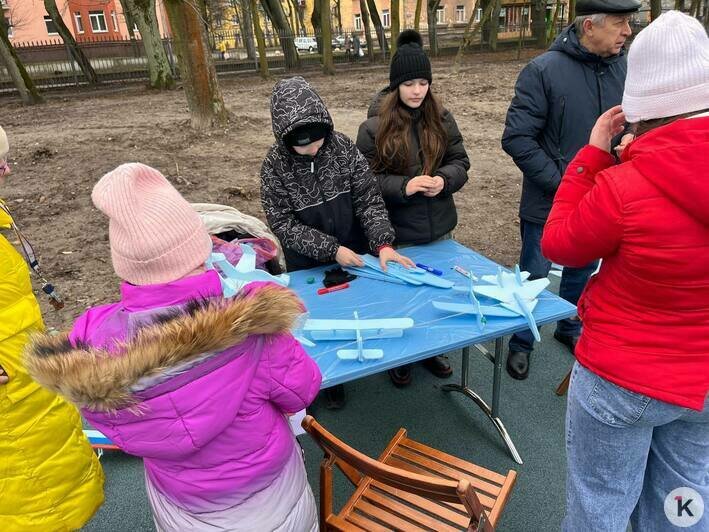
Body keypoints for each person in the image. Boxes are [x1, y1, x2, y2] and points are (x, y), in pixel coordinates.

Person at [25, 163, 322, 532]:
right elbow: (303, 390)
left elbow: (117, 427)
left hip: (182, 504)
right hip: (269, 496)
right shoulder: (254, 329)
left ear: (124, 265)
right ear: (201, 251)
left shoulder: (90, 348)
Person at [540, 11, 709, 531]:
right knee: (683, 506)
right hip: (700, 381)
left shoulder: (624, 185)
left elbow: (560, 244)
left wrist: (594, 156)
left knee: (601, 506)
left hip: (622, 378)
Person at [501, 0, 640, 380]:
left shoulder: (624, 69)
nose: (628, 30)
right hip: (548, 202)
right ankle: (520, 342)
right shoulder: (542, 70)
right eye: (620, 22)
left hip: (603, 199)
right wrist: (565, 182)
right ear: (590, 26)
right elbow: (517, 138)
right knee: (534, 274)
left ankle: (569, 327)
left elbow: (632, 125)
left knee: (583, 270)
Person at [0, 126, 104, 531]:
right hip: (10, 392)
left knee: (48, 488)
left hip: (23, 370)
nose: (7, 171)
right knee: (27, 498)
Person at [357, 29, 470, 387]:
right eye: (409, 83)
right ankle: (400, 356)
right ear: (395, 87)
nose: (417, 90)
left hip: (439, 227)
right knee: (401, 298)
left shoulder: (442, 117)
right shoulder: (373, 127)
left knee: (435, 293)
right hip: (399, 232)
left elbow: (460, 161)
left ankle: (431, 350)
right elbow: (363, 182)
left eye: (423, 82)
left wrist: (445, 180)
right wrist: (403, 186)